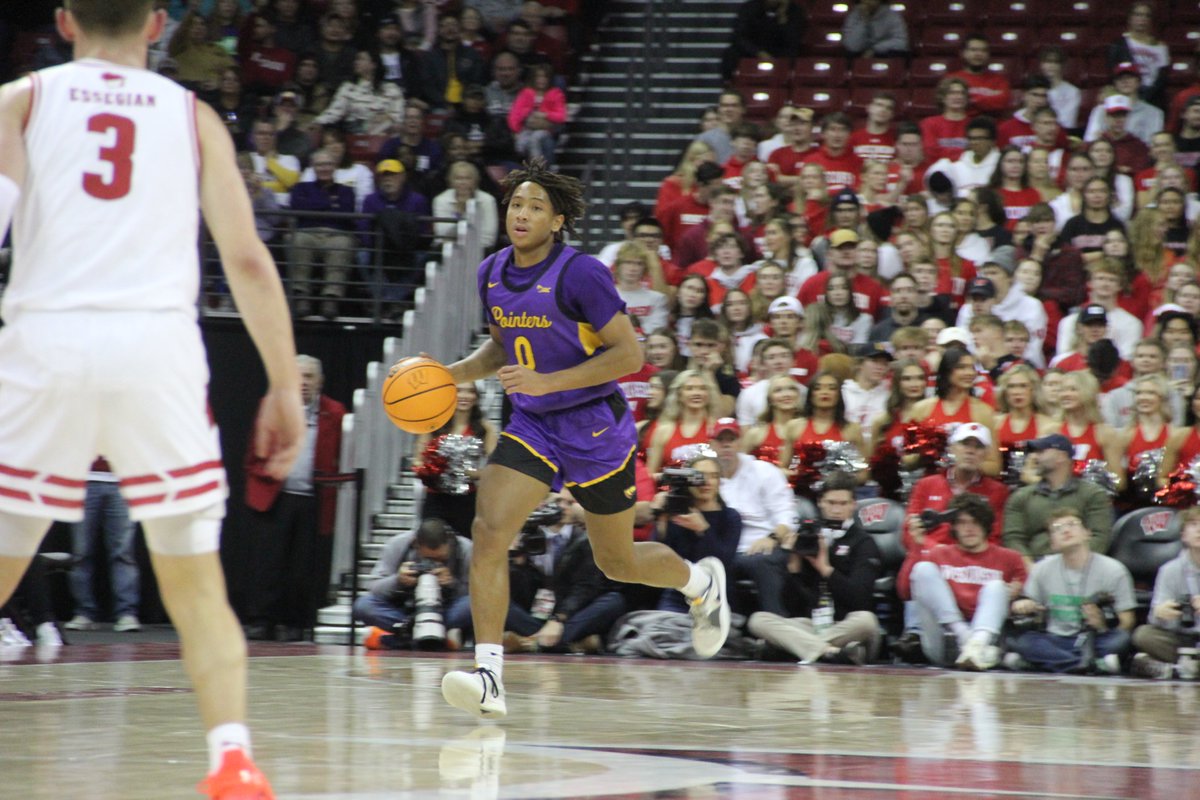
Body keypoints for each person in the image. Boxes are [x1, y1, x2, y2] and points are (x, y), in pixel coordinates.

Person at [0, 2, 306, 796]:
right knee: (196, 582)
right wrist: (282, 384)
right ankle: (233, 762)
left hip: (47, 344)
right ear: (158, 23)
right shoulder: (192, 115)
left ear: (64, 21)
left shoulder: (22, 101)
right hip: (156, 352)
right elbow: (244, 257)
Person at [413, 161, 731, 719]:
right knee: (489, 532)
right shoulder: (490, 271)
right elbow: (501, 349)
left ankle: (700, 582)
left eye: (536, 206)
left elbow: (629, 356)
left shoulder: (581, 273)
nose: (522, 214)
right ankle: (489, 676)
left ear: (557, 219)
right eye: (516, 204)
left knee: (618, 561)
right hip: (533, 426)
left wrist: (547, 381)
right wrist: (447, 375)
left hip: (594, 427)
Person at [243, 355, 344, 642]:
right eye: (297, 376)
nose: (303, 383)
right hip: (276, 496)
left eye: (309, 377)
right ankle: (261, 620)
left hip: (313, 497)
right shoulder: (271, 406)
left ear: (319, 382)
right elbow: (253, 452)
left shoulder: (334, 413)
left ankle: (293, 622)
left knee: (302, 567)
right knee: (267, 563)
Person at [746, 471, 882, 665]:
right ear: (820, 502)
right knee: (758, 620)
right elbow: (792, 607)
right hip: (810, 624)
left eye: (842, 504)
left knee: (867, 620)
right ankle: (830, 652)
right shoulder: (807, 539)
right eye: (831, 503)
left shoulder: (863, 543)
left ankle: (793, 648)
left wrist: (826, 568)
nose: (836, 510)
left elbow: (859, 599)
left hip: (847, 625)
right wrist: (793, 567)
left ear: (853, 505)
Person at [898, 493, 1027, 670]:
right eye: (962, 522)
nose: (969, 528)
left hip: (989, 636)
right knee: (922, 569)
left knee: (996, 587)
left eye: (975, 522)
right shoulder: (938, 554)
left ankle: (977, 644)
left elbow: (1029, 600)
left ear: (985, 524)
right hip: (945, 639)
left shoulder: (1010, 558)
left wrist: (1016, 596)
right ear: (954, 527)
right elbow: (905, 592)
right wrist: (916, 547)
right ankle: (968, 640)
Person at [1007, 507, 1135, 674]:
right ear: (1052, 543)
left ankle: (1046, 663)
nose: (1066, 530)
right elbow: (1030, 609)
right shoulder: (1041, 569)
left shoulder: (1114, 570)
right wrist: (1023, 605)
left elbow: (1127, 622)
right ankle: (1090, 664)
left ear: (1087, 533)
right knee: (1023, 641)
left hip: (1094, 638)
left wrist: (1102, 625)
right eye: (1057, 528)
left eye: (1072, 524)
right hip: (1055, 638)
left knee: (1121, 640)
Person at [501, 490, 628, 653]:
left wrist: (558, 619)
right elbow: (520, 593)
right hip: (537, 613)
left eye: (570, 503)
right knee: (492, 600)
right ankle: (572, 644)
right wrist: (517, 563)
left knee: (614, 601)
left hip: (570, 613)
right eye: (558, 501)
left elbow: (585, 589)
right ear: (543, 505)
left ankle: (531, 643)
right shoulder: (528, 536)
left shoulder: (585, 540)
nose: (563, 507)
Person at [354, 517, 474, 649]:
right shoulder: (398, 544)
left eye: (441, 559)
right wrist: (398, 580)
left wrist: (452, 583)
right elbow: (374, 587)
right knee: (363, 605)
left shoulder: (465, 549)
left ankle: (399, 639)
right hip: (406, 609)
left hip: (447, 609)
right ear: (415, 544)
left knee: (476, 604)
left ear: (450, 544)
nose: (433, 564)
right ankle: (437, 637)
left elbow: (475, 592)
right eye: (427, 559)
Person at [1002, 435, 1114, 566]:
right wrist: (1029, 566)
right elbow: (1013, 538)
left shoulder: (1093, 494)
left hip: (1081, 566)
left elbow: (1100, 538)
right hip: (1034, 567)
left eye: (1041, 452)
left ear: (1061, 456)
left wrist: (1070, 564)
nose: (1034, 457)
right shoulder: (1021, 497)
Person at [65, 459, 142, 633]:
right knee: (80, 553)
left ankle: (126, 613)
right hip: (83, 480)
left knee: (124, 554)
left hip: (123, 480)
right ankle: (84, 612)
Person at [1129, 506, 1200, 679]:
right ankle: (1189, 668)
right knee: (1144, 635)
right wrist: (1162, 614)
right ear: (1183, 535)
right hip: (1181, 638)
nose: (1199, 529)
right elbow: (1154, 618)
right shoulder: (1169, 570)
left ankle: (1174, 669)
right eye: (1194, 524)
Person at [841, 0, 908, 59]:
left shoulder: (893, 16)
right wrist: (864, 20)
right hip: (860, 55)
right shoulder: (853, 16)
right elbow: (852, 46)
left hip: (884, 55)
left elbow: (901, 42)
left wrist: (875, 49)